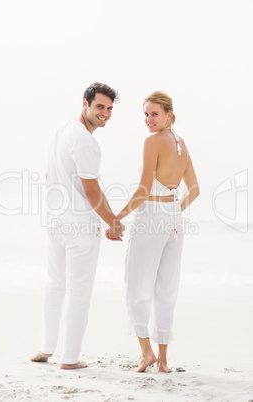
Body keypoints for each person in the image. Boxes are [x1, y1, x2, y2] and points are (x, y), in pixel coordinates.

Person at [31, 82, 124, 370]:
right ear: (84, 103)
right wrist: (113, 222)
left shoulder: (62, 131)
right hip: (79, 226)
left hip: (55, 221)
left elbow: (50, 174)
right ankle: (70, 358)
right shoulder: (85, 141)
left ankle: (46, 348)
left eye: (109, 108)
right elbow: (92, 192)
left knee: (55, 284)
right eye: (99, 106)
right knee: (79, 291)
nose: (105, 113)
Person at [106, 91, 199, 372]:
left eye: (154, 114)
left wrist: (115, 218)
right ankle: (164, 361)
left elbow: (143, 190)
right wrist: (172, 214)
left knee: (137, 286)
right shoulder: (181, 143)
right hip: (173, 220)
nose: (148, 119)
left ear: (169, 114)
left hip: (151, 217)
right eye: (145, 114)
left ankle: (147, 353)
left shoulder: (152, 141)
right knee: (166, 290)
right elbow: (194, 190)